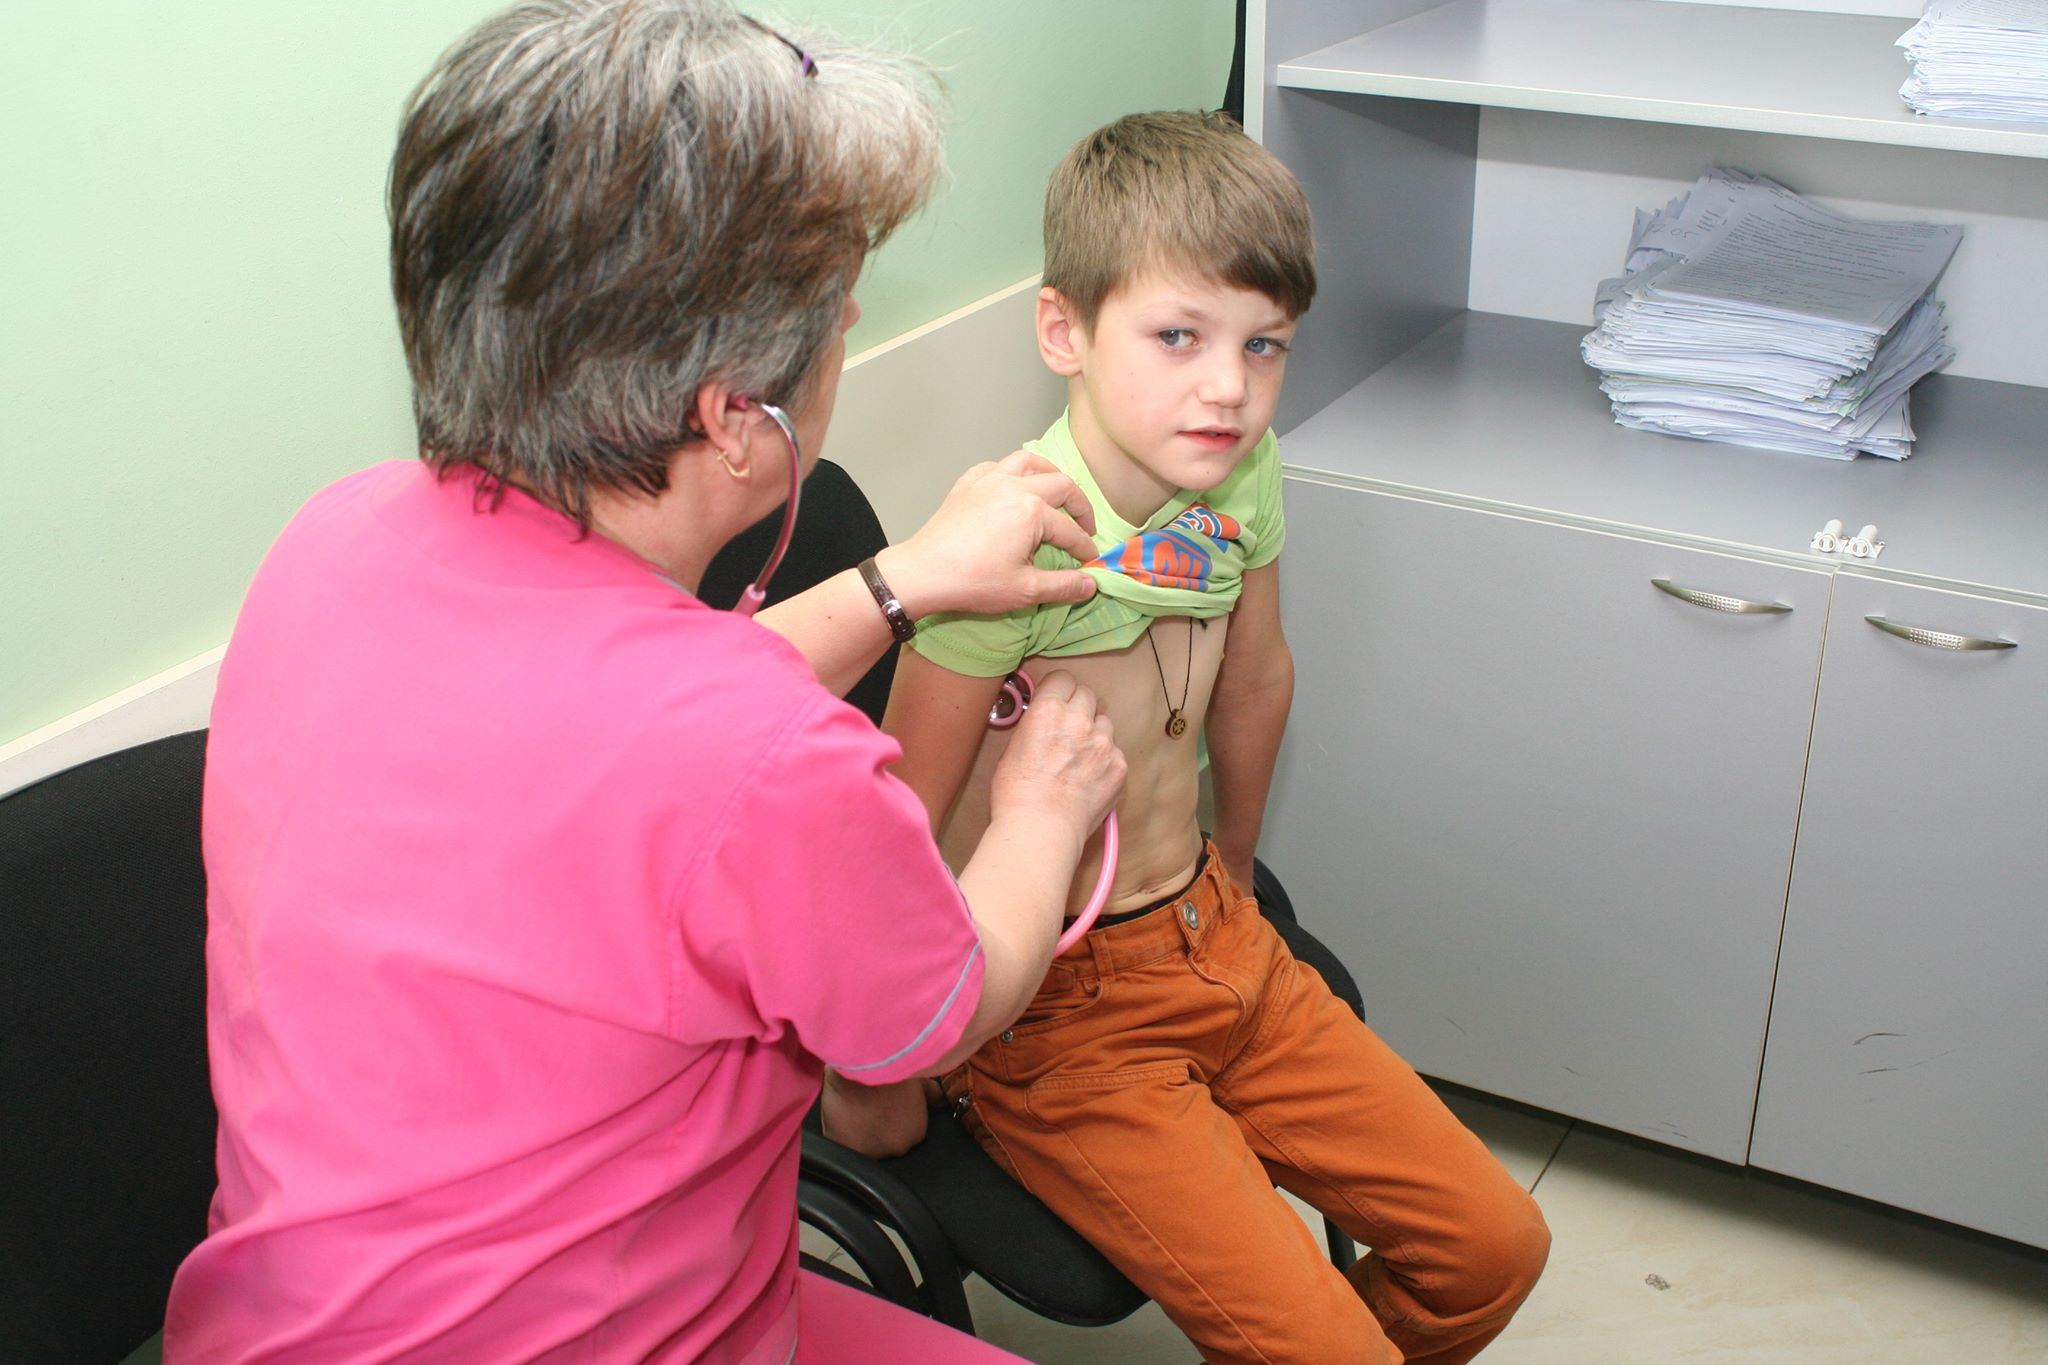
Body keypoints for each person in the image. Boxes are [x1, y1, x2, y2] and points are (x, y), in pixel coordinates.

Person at [162, 3, 1126, 1361]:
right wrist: (1044, 809)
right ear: (739, 422)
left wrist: (901, 582)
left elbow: (627, 738)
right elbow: (935, 1012)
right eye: (840, 314)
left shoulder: (336, 539)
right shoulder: (759, 757)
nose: (850, 325)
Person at [859, 111, 1553, 1364]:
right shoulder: (999, 546)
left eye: (1261, 343)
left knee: (1494, 1249)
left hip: (1211, 930)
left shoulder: (1242, 472)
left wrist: (1232, 863)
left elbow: (1253, 676)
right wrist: (881, 1067)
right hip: (1054, 1006)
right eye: (1177, 336)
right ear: (1064, 331)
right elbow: (889, 815)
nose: (1227, 385)